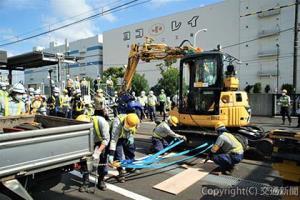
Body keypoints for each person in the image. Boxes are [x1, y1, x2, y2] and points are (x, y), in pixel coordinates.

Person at [76, 114, 110, 192]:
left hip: (101, 140)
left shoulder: (101, 122)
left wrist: (98, 152)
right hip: (89, 141)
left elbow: (106, 139)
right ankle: (85, 182)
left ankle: (101, 180)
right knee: (85, 161)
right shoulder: (81, 126)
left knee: (103, 160)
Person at [108, 113, 140, 183]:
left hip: (127, 137)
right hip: (118, 138)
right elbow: (114, 140)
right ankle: (121, 172)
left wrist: (131, 137)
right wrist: (111, 154)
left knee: (131, 151)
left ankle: (130, 167)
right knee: (118, 156)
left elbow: (134, 130)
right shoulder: (117, 123)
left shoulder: (136, 120)